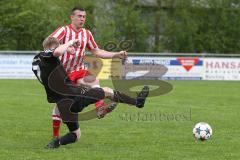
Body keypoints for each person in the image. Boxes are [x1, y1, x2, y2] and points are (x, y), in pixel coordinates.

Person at [32, 37, 149, 149]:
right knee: (107, 91)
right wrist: (70, 42)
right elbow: (56, 52)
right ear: (51, 47)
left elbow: (55, 55)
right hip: (74, 96)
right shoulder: (48, 54)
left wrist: (67, 49)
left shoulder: (36, 61)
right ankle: (137, 102)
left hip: (62, 104)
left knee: (76, 135)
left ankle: (56, 143)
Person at [48, 6, 128, 138]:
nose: (82, 19)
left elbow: (97, 51)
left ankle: (100, 107)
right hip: (62, 74)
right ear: (72, 17)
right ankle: (55, 136)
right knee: (62, 106)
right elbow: (49, 43)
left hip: (78, 70)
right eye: (79, 16)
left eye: (84, 17)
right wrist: (66, 48)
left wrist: (116, 54)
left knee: (94, 80)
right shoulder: (64, 30)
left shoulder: (86, 33)